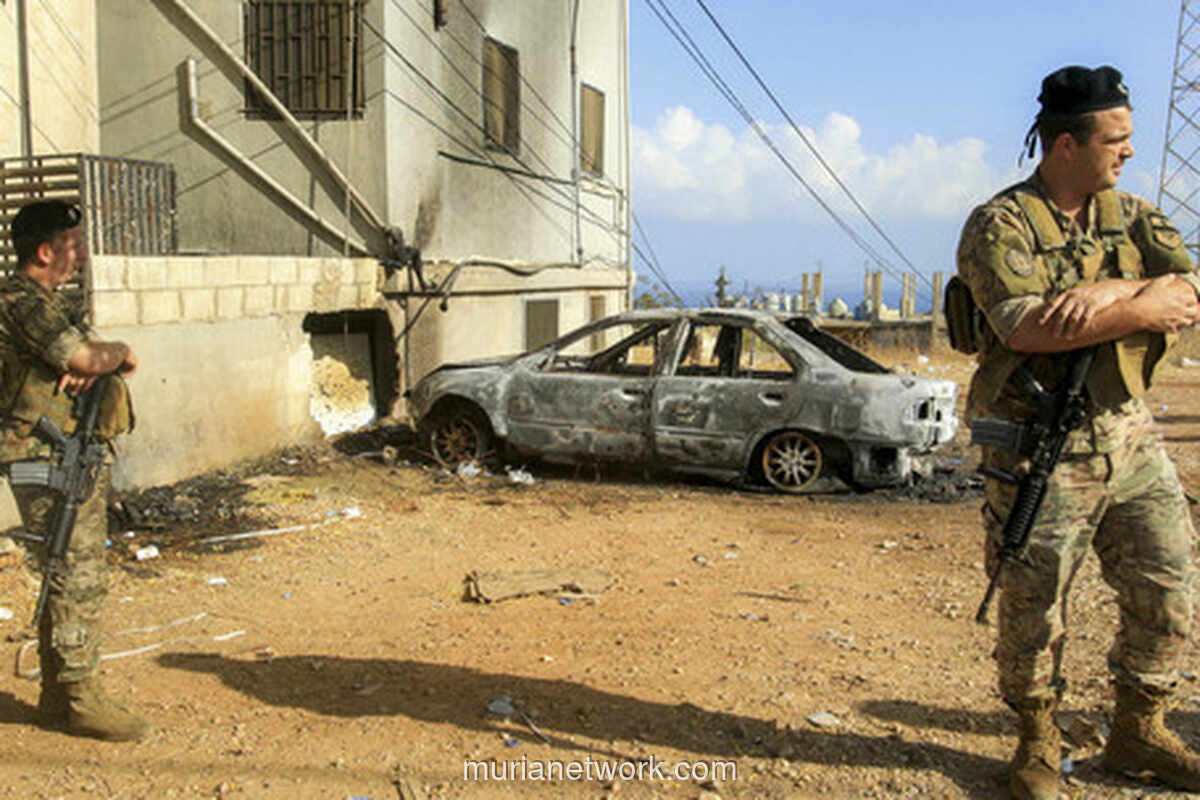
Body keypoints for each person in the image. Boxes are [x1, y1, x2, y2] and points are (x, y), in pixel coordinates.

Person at [956, 65, 1200, 798]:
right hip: (1041, 448)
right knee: (1035, 604)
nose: (1128, 152)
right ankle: (1036, 740)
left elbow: (1187, 291)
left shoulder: (1133, 216)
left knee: (1167, 584)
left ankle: (1138, 730)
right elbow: (1025, 326)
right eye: (1115, 140)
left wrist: (1104, 294)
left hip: (1127, 435)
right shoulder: (999, 225)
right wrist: (1136, 305)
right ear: (1067, 144)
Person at [1, 199, 147, 741]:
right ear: (45, 251)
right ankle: (83, 698)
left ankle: (56, 698)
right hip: (41, 457)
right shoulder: (19, 301)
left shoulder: (49, 303)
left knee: (66, 571)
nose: (81, 256)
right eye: (73, 246)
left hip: (64, 454)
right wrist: (106, 355)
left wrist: (101, 356)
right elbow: (90, 357)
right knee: (76, 575)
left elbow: (96, 355)